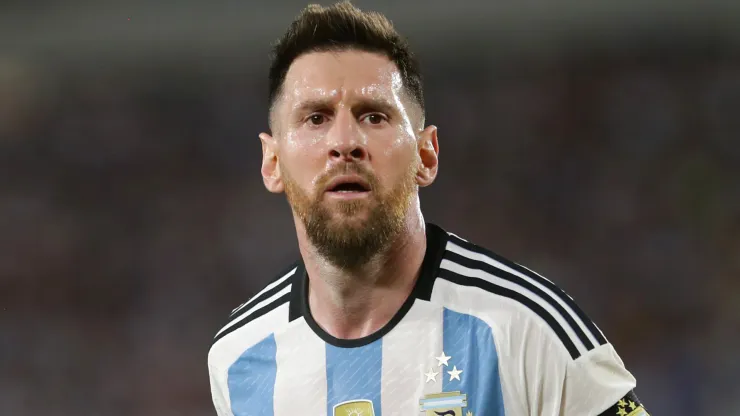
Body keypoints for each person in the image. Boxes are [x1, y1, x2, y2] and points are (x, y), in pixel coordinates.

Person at [208, 2, 649, 415]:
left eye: (373, 116)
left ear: (427, 155)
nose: (345, 143)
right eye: (316, 118)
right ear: (272, 163)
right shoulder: (238, 358)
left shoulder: (528, 329)